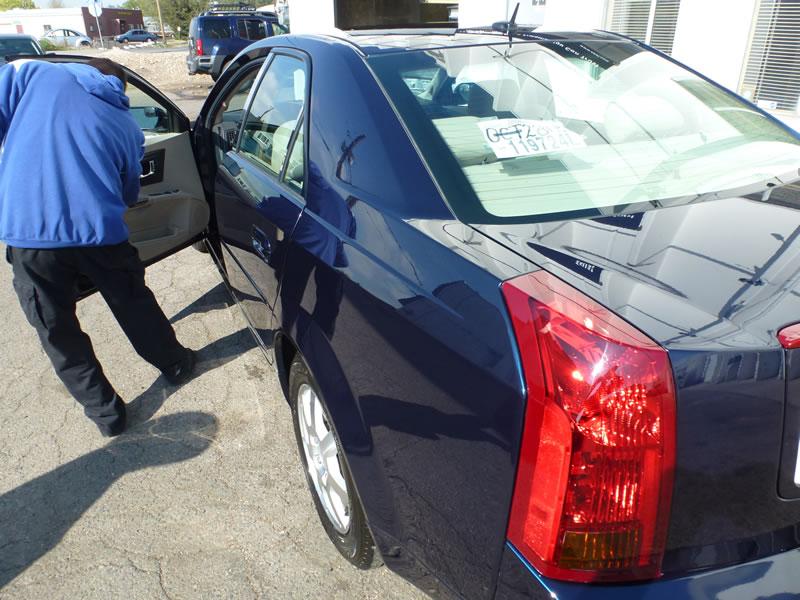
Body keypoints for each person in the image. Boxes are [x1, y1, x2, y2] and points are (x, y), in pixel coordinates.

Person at [0, 58, 195, 437]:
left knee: (56, 328)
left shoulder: (40, 76)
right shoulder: (126, 126)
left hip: (31, 237)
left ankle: (108, 415)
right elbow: (127, 191)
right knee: (133, 302)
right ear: (121, 88)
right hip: (99, 233)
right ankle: (174, 364)